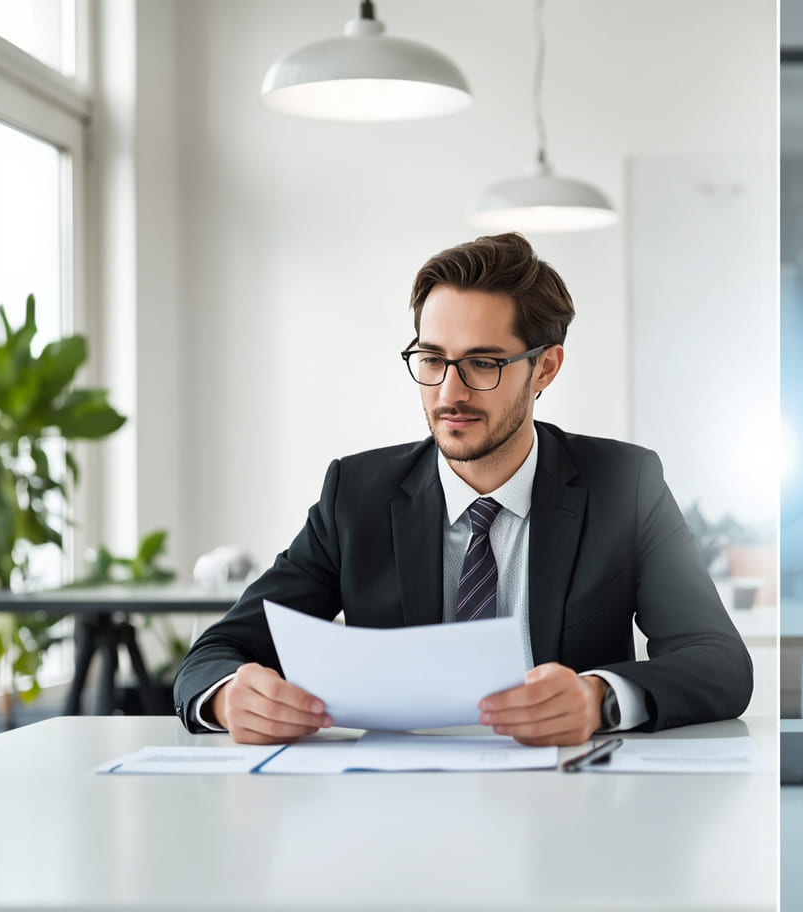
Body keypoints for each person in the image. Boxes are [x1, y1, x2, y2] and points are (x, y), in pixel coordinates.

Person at [174, 233, 753, 746]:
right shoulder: (356, 495)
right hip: (398, 811)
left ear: (545, 368)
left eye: (482, 364)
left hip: (571, 805)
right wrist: (229, 697)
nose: (449, 392)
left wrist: (598, 697)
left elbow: (720, 663)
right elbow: (215, 654)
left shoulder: (624, 485)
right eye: (431, 359)